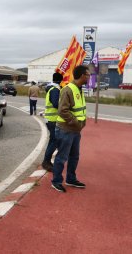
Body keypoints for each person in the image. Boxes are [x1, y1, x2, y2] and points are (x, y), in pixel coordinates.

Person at [51, 65, 90, 193]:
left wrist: (81, 123)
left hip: (75, 130)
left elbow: (79, 109)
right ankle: (56, 181)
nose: (89, 77)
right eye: (88, 75)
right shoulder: (68, 89)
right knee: (62, 157)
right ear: (82, 76)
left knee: (74, 156)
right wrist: (76, 123)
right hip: (65, 129)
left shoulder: (79, 89)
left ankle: (70, 179)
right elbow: (63, 111)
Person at [42, 72, 63, 172]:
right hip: (53, 120)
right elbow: (55, 104)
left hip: (51, 119)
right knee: (54, 141)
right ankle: (46, 162)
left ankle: (47, 161)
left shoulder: (51, 88)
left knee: (52, 141)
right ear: (60, 80)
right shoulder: (55, 90)